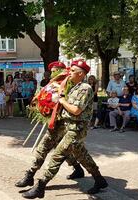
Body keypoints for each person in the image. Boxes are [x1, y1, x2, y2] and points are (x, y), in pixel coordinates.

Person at [22, 60, 108, 199]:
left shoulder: (85, 88)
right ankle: (99, 180)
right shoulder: (73, 87)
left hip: (76, 129)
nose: (69, 72)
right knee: (82, 156)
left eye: (73, 70)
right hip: (66, 127)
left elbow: (76, 110)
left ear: (81, 73)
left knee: (58, 155)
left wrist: (61, 100)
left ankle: (40, 186)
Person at [15, 61, 84, 189]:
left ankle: (35, 179)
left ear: (61, 70)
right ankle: (30, 175)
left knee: (57, 150)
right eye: (51, 71)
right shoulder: (52, 83)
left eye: (54, 71)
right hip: (55, 123)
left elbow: (67, 101)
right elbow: (44, 94)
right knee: (49, 148)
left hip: (65, 124)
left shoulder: (69, 83)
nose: (52, 73)